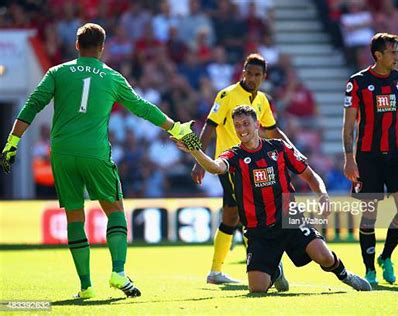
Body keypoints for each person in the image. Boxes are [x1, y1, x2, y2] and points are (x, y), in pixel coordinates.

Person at [0, 23, 199, 299]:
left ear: (77, 45)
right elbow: (141, 107)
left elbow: (32, 104)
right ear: (102, 48)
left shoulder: (58, 72)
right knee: (115, 209)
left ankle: (85, 286)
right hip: (94, 152)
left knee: (74, 215)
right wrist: (175, 128)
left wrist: (12, 142)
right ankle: (118, 272)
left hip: (61, 153)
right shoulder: (112, 77)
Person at [177, 105, 371, 293]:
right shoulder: (234, 154)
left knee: (324, 257)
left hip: (290, 220)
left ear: (257, 125)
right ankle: (275, 269)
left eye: (246, 123)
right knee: (257, 288)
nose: (241, 129)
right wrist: (195, 149)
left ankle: (346, 275)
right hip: (259, 230)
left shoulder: (279, 148)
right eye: (237, 125)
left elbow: (310, 176)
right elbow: (214, 167)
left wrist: (323, 195)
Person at [191, 53, 298, 285]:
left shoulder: (262, 100)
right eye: (248, 73)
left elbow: (272, 130)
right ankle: (267, 266)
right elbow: (209, 127)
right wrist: (199, 161)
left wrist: (293, 150)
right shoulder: (227, 95)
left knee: (232, 214)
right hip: (232, 165)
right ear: (243, 72)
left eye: (256, 75)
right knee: (248, 214)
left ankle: (219, 271)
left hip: (257, 166)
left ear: (264, 77)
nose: (251, 78)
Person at [342, 33, 398, 285]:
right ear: (378, 55)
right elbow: (348, 126)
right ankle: (369, 270)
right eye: (393, 52)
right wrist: (349, 158)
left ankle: (386, 256)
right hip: (368, 158)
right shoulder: (357, 82)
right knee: (369, 217)